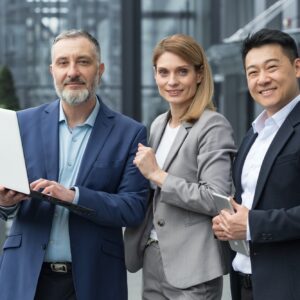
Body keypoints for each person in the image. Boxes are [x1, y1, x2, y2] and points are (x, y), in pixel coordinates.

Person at [0, 29, 149, 300]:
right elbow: (5, 204)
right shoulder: (21, 124)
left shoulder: (130, 133)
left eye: (83, 61)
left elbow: (134, 207)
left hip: (95, 279)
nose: (73, 72)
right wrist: (6, 202)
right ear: (52, 71)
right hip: (25, 277)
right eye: (63, 63)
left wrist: (73, 196)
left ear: (100, 69)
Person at [124, 34, 236, 299]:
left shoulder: (212, 125)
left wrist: (158, 175)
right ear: (155, 75)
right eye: (163, 72)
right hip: (153, 256)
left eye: (182, 72)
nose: (171, 81)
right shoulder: (158, 125)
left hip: (193, 266)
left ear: (199, 74)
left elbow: (215, 197)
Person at [212, 28, 300, 300]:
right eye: (252, 72)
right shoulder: (253, 134)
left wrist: (252, 225)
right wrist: (229, 221)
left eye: (271, 68)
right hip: (247, 282)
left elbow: (254, 219)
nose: (262, 79)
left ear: (297, 67)